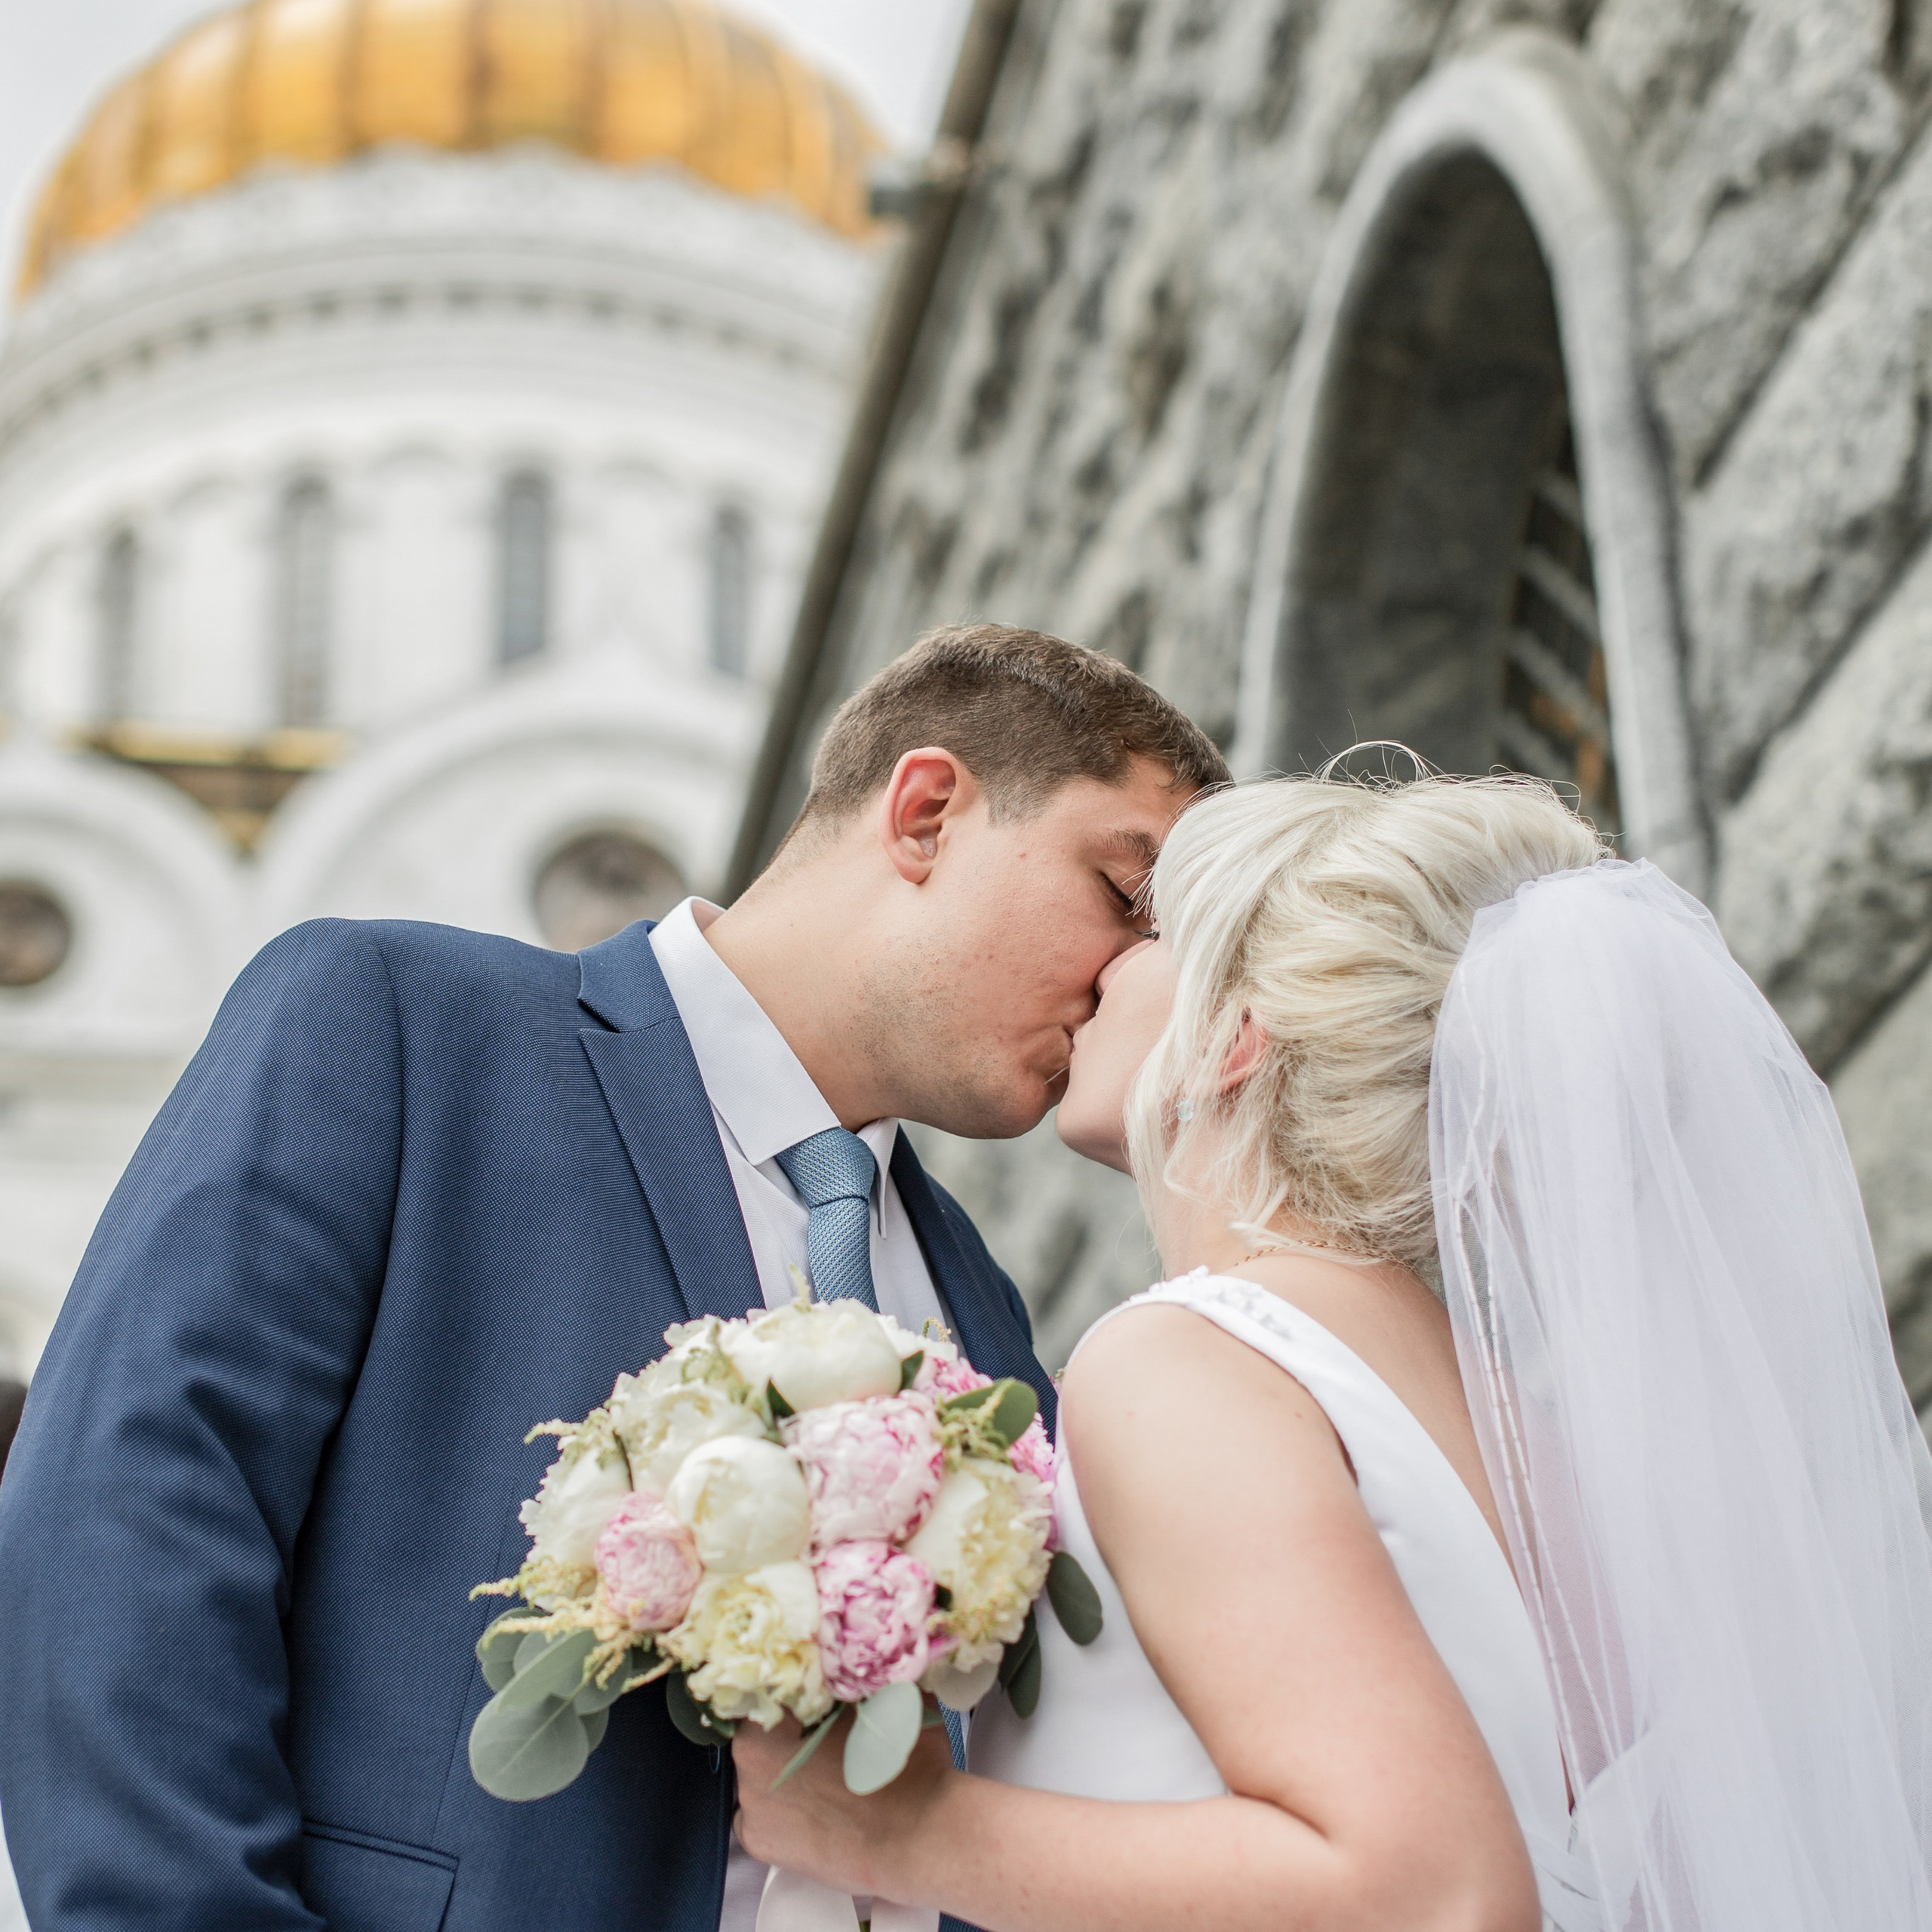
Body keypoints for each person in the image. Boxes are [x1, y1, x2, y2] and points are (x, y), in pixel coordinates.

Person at [0, 624, 1226, 1932]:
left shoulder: (980, 1299)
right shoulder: (402, 1027)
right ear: (925, 813)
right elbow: (125, 1526)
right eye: (1126, 896)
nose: (1138, 979)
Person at [734, 771, 1932, 1932]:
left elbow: (1435, 1898)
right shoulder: (1522, 1435)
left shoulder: (1187, 1360)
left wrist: (906, 1832)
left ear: (1231, 1040)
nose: (1105, 965)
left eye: (1153, 932)